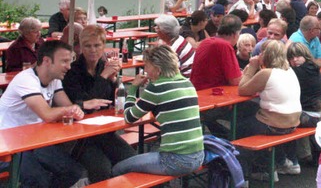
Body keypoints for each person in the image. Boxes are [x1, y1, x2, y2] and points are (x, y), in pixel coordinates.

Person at [0, 40, 98, 188]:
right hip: (9, 145)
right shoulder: (25, 79)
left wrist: (76, 109)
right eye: (64, 61)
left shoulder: (54, 79)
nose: (69, 67)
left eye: (70, 61)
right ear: (46, 61)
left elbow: (67, 107)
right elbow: (47, 114)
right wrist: (73, 109)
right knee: (38, 180)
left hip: (34, 141)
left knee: (74, 172)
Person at [112, 45, 204, 176]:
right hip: (199, 156)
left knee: (118, 169)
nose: (145, 70)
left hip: (175, 160)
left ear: (157, 69)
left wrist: (132, 89)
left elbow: (129, 117)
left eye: (147, 66)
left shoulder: (156, 88)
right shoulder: (187, 83)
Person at [62, 25, 135, 183]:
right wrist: (103, 77)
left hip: (104, 131)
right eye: (88, 46)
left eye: (97, 45)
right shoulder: (72, 72)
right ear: (80, 48)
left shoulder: (105, 67)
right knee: (101, 168)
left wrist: (114, 80)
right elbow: (84, 104)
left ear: (104, 46)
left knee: (130, 159)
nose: (92, 50)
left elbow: (120, 102)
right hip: (80, 137)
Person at [237, 41, 302, 178]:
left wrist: (252, 67)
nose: (259, 55)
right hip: (293, 123)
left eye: (261, 52)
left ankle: (254, 173)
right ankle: (279, 162)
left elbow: (242, 90)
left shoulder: (266, 73)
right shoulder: (289, 71)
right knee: (252, 113)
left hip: (275, 126)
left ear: (267, 55)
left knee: (240, 129)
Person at [191, 14, 243, 90]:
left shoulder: (207, 41)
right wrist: (250, 71)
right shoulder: (224, 45)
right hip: (209, 94)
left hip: (198, 91)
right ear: (235, 34)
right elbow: (235, 81)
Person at [287, 42, 321, 127]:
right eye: (291, 58)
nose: (294, 60)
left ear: (305, 56)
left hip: (311, 116)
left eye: (298, 56)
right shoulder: (313, 67)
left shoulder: (298, 71)